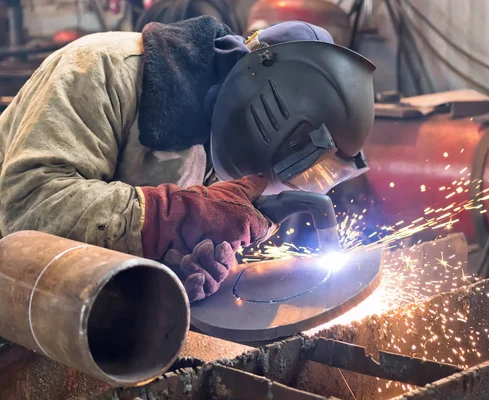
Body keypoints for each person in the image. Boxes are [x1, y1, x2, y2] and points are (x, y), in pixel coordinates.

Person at [0, 17, 375, 302]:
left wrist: (174, 258)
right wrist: (173, 217)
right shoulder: (99, 68)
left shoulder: (223, 141)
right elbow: (26, 210)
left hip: (70, 299)